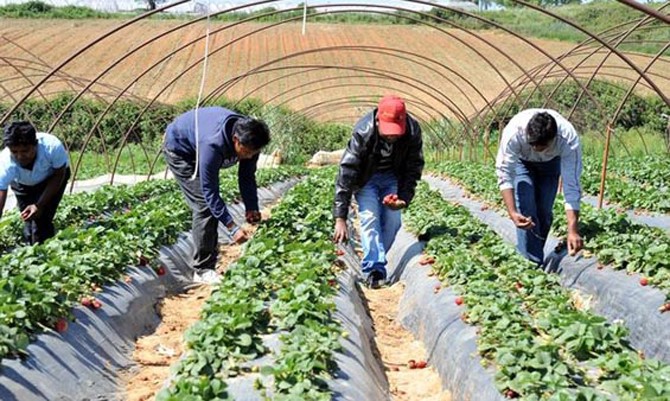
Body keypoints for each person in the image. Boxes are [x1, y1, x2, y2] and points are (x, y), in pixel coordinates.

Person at [163, 107, 270, 284]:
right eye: (247, 151)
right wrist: (232, 227)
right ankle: (202, 269)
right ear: (236, 140)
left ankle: (210, 251)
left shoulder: (250, 137)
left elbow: (247, 176)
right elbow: (209, 191)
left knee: (211, 205)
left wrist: (252, 207)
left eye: (254, 152)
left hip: (199, 144)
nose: (250, 156)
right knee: (204, 204)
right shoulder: (213, 143)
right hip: (181, 151)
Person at [333, 95, 424, 289]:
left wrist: (404, 199)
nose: (392, 135)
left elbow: (413, 167)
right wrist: (340, 217)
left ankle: (376, 257)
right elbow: (347, 171)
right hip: (367, 179)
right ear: (378, 120)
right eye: (388, 130)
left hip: (392, 178)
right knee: (369, 218)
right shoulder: (363, 131)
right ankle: (374, 269)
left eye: (396, 131)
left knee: (393, 221)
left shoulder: (413, 131)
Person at [495, 109, 584, 266]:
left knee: (544, 212)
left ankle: (536, 255)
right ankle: (530, 263)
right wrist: (512, 212)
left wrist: (572, 230)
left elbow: (572, 185)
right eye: (532, 144)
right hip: (523, 164)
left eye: (542, 146)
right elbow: (504, 172)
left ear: (553, 138)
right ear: (527, 134)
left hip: (551, 164)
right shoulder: (514, 133)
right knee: (526, 208)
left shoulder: (568, 139)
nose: (536, 149)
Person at [0, 121, 71, 244]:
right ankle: (31, 250)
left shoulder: (51, 147)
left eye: (25, 151)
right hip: (22, 184)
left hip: (52, 179)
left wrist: (40, 204)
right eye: (15, 152)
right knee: (28, 217)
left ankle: (46, 253)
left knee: (43, 218)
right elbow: (1, 190)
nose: (20, 156)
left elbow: (59, 173)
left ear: (35, 145)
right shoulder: (5, 161)